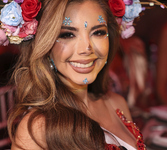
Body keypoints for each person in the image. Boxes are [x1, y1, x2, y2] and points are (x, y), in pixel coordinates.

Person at [2, 0, 145, 149]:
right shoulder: (37, 129)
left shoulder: (116, 103)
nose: (86, 48)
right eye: (68, 34)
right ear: (46, 44)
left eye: (98, 32)